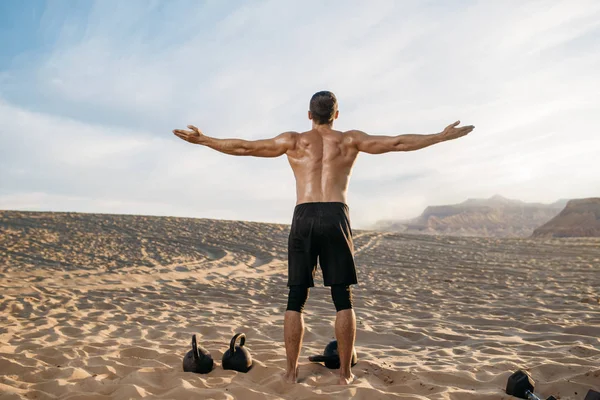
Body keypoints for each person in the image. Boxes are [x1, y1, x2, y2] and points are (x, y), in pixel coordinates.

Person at [173, 91, 474, 385]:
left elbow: (246, 148)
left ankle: (291, 373)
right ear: (336, 115)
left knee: (296, 298)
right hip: (335, 216)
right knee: (342, 298)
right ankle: (345, 374)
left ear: (309, 115)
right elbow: (396, 142)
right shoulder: (349, 139)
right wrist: (439, 136)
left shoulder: (293, 141)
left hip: (304, 215)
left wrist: (205, 140)